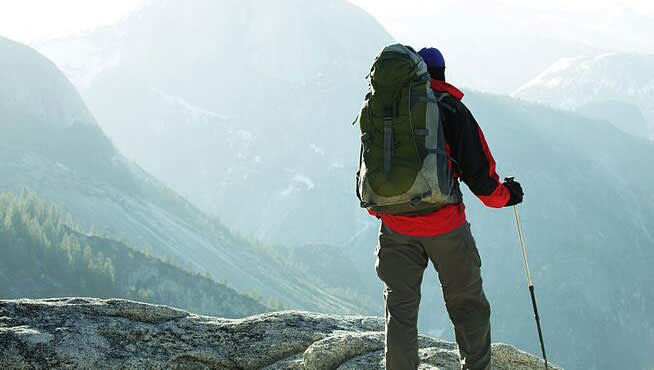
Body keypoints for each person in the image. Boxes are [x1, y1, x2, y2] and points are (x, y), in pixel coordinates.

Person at [369, 47, 524, 370]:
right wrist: (507, 195)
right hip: (444, 225)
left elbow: (375, 169)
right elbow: (481, 179)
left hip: (395, 225)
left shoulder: (388, 107)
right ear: (440, 73)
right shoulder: (451, 108)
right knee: (467, 304)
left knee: (400, 307)